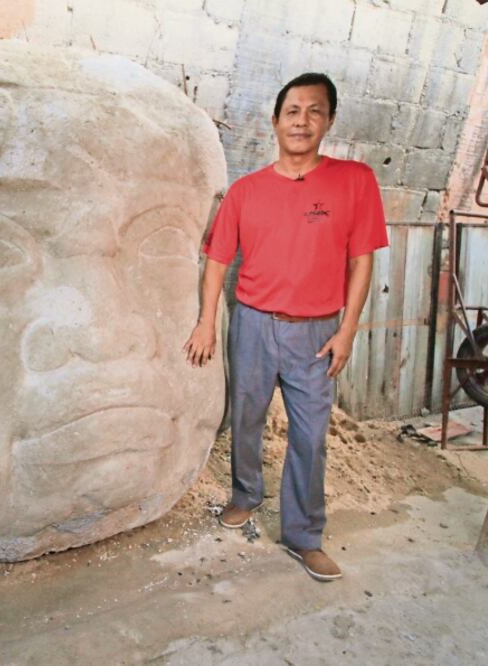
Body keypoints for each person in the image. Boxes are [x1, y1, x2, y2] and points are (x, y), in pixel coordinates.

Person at [183, 72, 388, 582]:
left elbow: (362, 262)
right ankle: (245, 495)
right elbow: (215, 260)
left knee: (311, 435)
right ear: (275, 121)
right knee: (246, 418)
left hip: (316, 333)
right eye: (293, 111)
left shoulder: (354, 180)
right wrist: (207, 322)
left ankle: (303, 536)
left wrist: (347, 330)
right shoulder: (246, 191)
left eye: (314, 111)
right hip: (252, 324)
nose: (302, 120)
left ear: (329, 121)